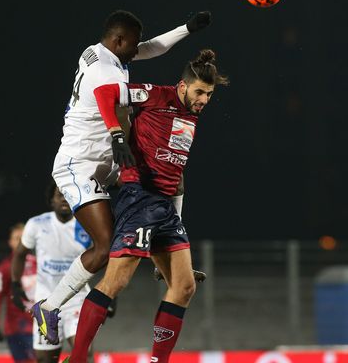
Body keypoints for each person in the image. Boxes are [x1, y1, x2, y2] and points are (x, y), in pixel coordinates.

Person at [32, 9, 212, 343]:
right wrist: (117, 135)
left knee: (166, 178)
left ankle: (164, 258)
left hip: (109, 161)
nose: (136, 50)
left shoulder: (105, 53)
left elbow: (154, 47)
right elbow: (106, 99)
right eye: (131, 45)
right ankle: (49, 307)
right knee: (105, 247)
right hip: (80, 163)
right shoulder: (104, 70)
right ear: (118, 40)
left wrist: (187, 28)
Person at [60, 49, 228, 363]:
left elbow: (176, 176)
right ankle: (78, 358)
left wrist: (174, 221)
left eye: (209, 94)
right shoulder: (155, 95)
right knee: (116, 281)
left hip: (164, 206)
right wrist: (115, 135)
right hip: (138, 196)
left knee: (184, 286)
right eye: (200, 92)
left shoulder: (191, 116)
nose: (204, 99)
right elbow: (106, 92)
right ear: (182, 86)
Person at [12, 181, 113, 363]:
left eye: (67, 195)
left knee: (84, 352)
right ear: (51, 201)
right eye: (59, 195)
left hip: (78, 301)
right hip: (45, 303)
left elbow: (106, 256)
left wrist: (111, 295)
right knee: (45, 360)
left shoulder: (87, 225)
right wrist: (15, 285)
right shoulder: (36, 224)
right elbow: (20, 254)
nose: (64, 200)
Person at [0, 223, 37, 363]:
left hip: (39, 327)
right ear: (10, 242)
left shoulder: (41, 264)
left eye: (24, 238)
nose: (21, 242)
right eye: (17, 238)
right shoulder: (4, 268)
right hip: (16, 329)